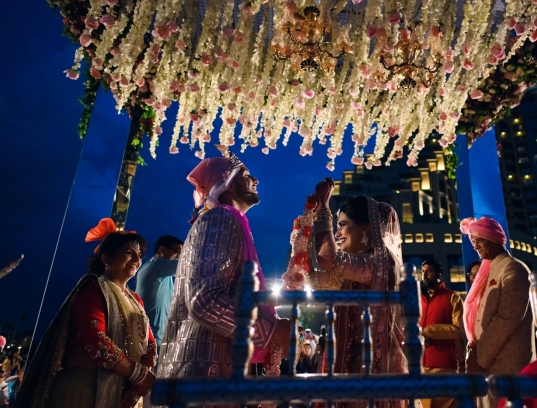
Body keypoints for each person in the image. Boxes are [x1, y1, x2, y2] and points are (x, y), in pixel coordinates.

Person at [158, 148, 291, 382]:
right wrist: (270, 330)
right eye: (246, 174)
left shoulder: (229, 220)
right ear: (228, 184)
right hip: (206, 373)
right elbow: (204, 301)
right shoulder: (220, 218)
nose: (255, 179)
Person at [14, 219, 157, 408]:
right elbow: (94, 340)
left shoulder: (136, 300)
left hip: (125, 390)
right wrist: (138, 374)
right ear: (106, 259)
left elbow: (150, 342)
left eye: (139, 255)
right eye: (129, 253)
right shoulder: (93, 288)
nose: (137, 260)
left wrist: (139, 384)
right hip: (85, 388)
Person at [311, 179, 408, 408]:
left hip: (372, 371)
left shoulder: (381, 264)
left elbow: (328, 258)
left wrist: (323, 207)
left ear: (365, 228)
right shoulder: (357, 267)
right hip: (352, 366)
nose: (337, 232)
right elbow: (316, 280)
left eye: (343, 224)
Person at [460, 217, 534, 408]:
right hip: (488, 366)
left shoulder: (513, 268)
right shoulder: (489, 271)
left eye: (478, 240)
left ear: (491, 237)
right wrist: (473, 352)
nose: (475, 246)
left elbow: (507, 318)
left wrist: (480, 358)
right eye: (473, 241)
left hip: (507, 365)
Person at [419, 259, 464, 408]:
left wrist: (428, 331)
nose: (424, 275)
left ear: (439, 274)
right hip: (418, 366)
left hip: (445, 366)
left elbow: (459, 330)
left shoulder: (453, 298)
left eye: (429, 271)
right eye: (423, 271)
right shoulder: (417, 300)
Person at [135, 235, 184, 349]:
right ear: (162, 249)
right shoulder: (158, 265)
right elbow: (192, 265)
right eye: (177, 251)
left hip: (152, 338)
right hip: (151, 339)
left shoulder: (156, 269)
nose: (179, 256)